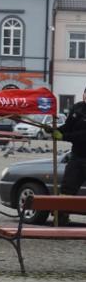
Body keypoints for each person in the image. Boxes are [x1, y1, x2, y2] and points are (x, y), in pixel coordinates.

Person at [54, 87, 86, 225]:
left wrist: (64, 137)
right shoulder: (77, 108)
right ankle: (60, 221)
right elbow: (68, 126)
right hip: (77, 158)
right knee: (66, 190)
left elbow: (84, 135)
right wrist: (54, 130)